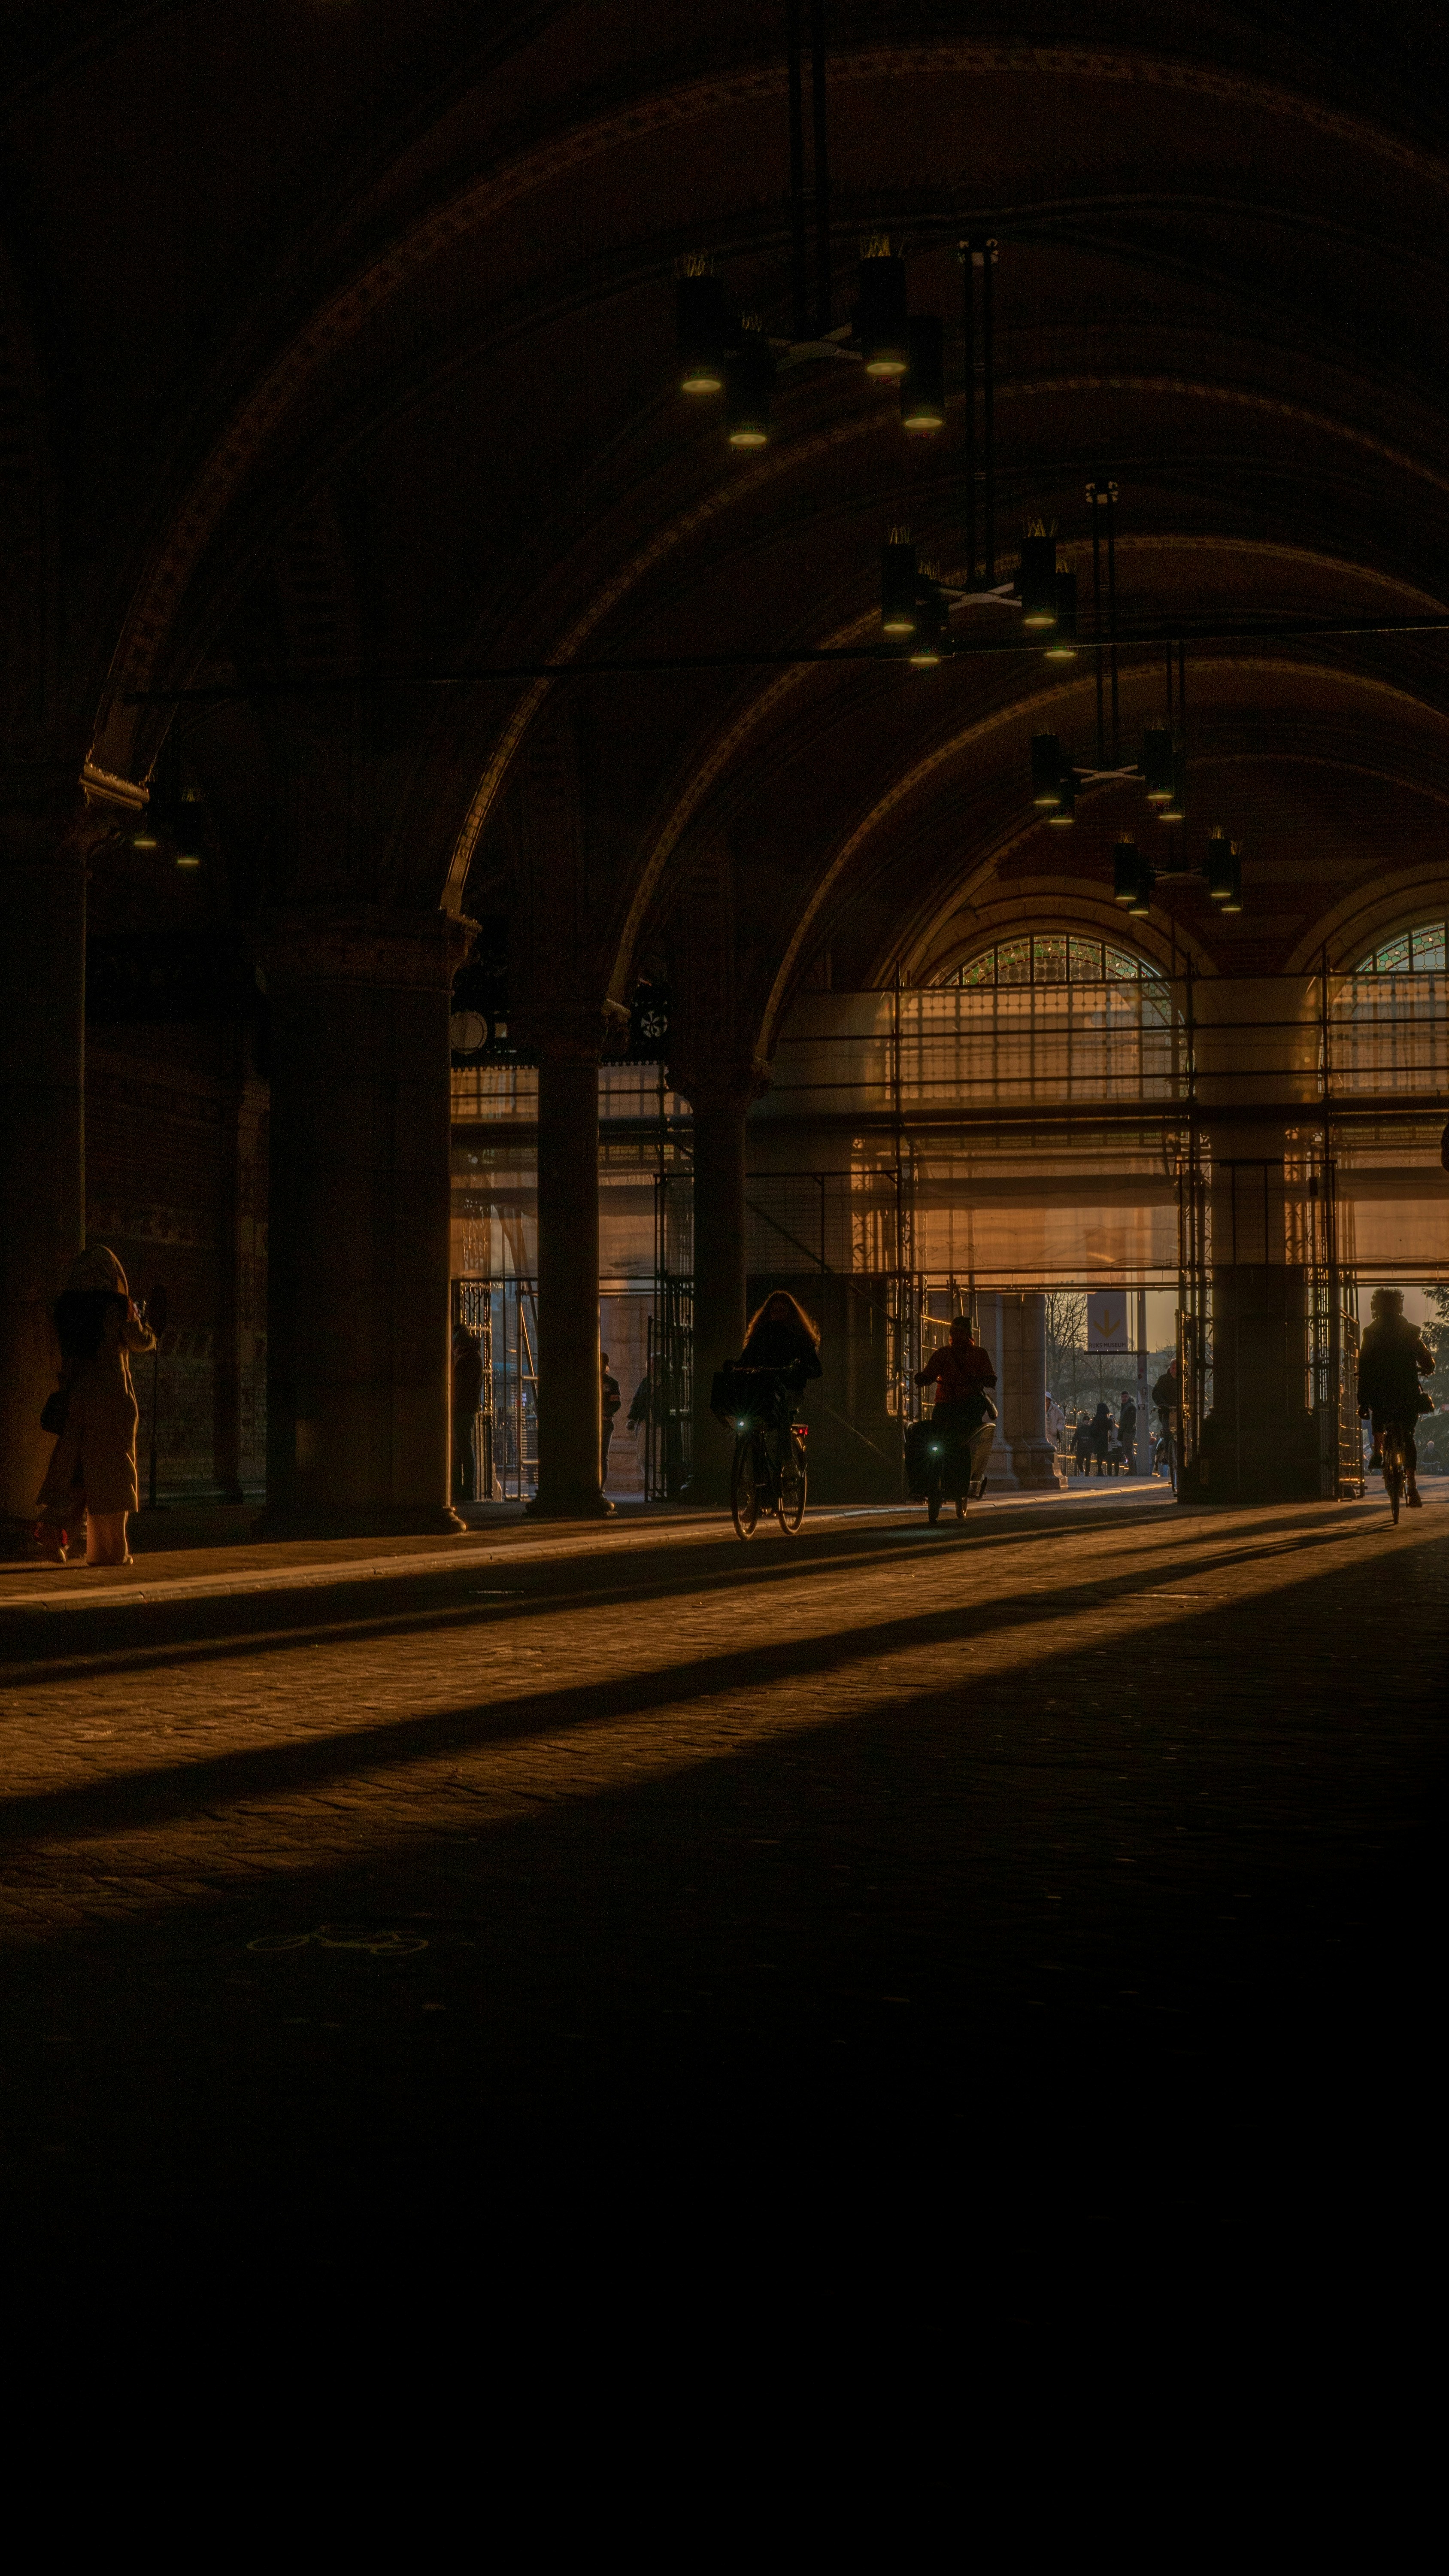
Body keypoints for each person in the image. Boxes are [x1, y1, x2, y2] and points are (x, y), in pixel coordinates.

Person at [36, 1245, 157, 1566]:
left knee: (76, 1472)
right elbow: (142, 1342)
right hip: (112, 1398)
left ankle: (54, 1530)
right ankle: (110, 1550)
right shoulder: (116, 1306)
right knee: (114, 1475)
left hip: (77, 1397)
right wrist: (137, 1318)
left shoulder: (65, 1309)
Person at [913, 1316, 997, 1521]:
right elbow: (929, 1373)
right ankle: (928, 1480)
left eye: (960, 1332)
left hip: (968, 1409)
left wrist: (982, 1379)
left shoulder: (978, 1355)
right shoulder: (943, 1355)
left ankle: (958, 1479)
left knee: (964, 1444)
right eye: (954, 1333)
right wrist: (923, 1378)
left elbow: (991, 1378)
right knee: (933, 1438)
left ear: (967, 1335)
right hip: (946, 1407)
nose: (956, 1337)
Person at [1357, 1287, 1433, 1506]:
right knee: (1408, 1435)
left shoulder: (1371, 1333)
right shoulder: (1409, 1331)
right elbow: (1426, 1359)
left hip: (1381, 1391)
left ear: (1375, 1307)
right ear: (1399, 1305)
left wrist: (1363, 1400)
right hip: (1407, 1391)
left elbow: (1365, 1365)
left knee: (1379, 1413)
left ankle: (1379, 1451)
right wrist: (1427, 1367)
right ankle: (1412, 1486)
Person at [451, 1321, 485, 1503]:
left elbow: (460, 1386)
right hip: (464, 1409)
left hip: (462, 1410)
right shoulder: (471, 1356)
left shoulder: (468, 1358)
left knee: (463, 1449)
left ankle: (466, 1489)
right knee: (460, 1450)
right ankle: (460, 1488)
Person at [1152, 1357, 1179, 1482]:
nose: (1175, 1371)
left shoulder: (1184, 1380)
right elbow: (1156, 1393)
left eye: (1177, 1369)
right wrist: (1162, 1404)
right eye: (1173, 1368)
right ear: (1170, 1368)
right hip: (1167, 1412)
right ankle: (1169, 1454)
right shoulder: (1163, 1380)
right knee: (1168, 1433)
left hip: (1180, 1412)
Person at [600, 1350, 621, 1486]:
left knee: (602, 1457)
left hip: (605, 1423)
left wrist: (606, 1413)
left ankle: (600, 1486)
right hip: (602, 1422)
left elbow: (616, 1403)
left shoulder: (612, 1383)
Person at [1088, 1399, 1112, 1475]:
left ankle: (1099, 1470)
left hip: (1097, 1439)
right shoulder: (1104, 1418)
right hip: (1103, 1439)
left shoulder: (1096, 1418)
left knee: (1099, 1455)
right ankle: (1102, 1471)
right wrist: (1111, 1420)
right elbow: (1110, 1426)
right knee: (1103, 1455)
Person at [1118, 1389, 1137, 1475]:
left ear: (1128, 1397)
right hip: (1127, 1432)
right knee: (1129, 1451)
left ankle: (1132, 1471)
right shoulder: (1126, 1406)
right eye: (1122, 1397)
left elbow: (1132, 1421)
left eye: (1125, 1397)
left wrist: (1127, 1432)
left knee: (1128, 1451)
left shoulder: (1130, 1407)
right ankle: (1133, 1470)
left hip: (1128, 1432)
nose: (1124, 1399)